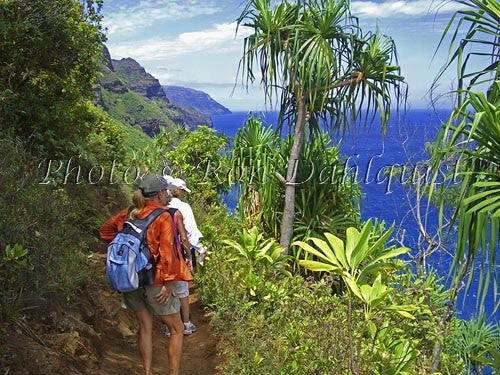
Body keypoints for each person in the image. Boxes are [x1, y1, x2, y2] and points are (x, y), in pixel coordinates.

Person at [99, 174, 192, 375]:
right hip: (156, 281)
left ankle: (147, 371)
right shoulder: (163, 216)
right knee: (176, 329)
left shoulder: (130, 212)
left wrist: (130, 254)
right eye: (166, 191)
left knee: (145, 327)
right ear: (159, 194)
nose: (168, 194)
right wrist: (169, 285)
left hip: (130, 279)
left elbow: (105, 231)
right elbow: (168, 253)